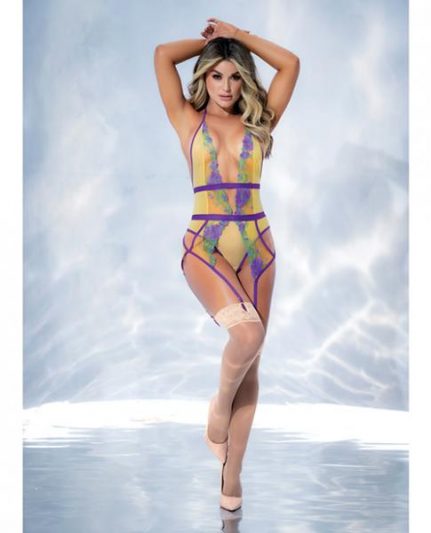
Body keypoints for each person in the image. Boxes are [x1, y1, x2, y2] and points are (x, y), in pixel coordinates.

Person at [154, 17, 300, 512]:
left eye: (236, 76)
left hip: (258, 246)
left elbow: (290, 64)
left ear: (245, 80)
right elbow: (162, 54)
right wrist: (213, 42)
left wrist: (239, 37)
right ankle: (218, 411)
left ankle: (232, 473)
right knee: (248, 336)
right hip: (205, 245)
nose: (226, 86)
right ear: (204, 77)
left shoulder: (261, 121)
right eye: (216, 75)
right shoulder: (186, 119)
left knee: (253, 362)